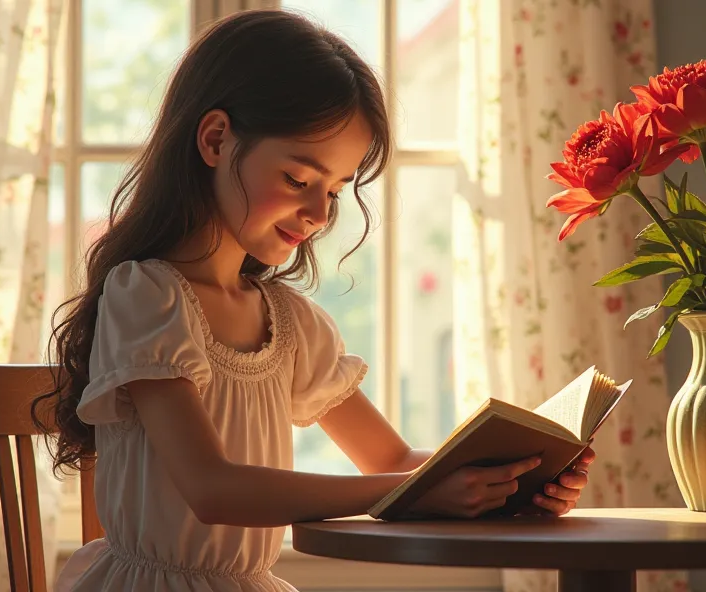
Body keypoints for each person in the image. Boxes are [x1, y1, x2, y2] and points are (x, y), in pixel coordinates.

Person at [35, 9, 595, 592]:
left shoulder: (290, 323)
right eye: (299, 180)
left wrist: (512, 480)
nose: (323, 214)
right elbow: (212, 489)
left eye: (334, 189)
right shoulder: (147, 295)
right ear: (216, 139)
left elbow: (392, 461)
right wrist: (407, 492)